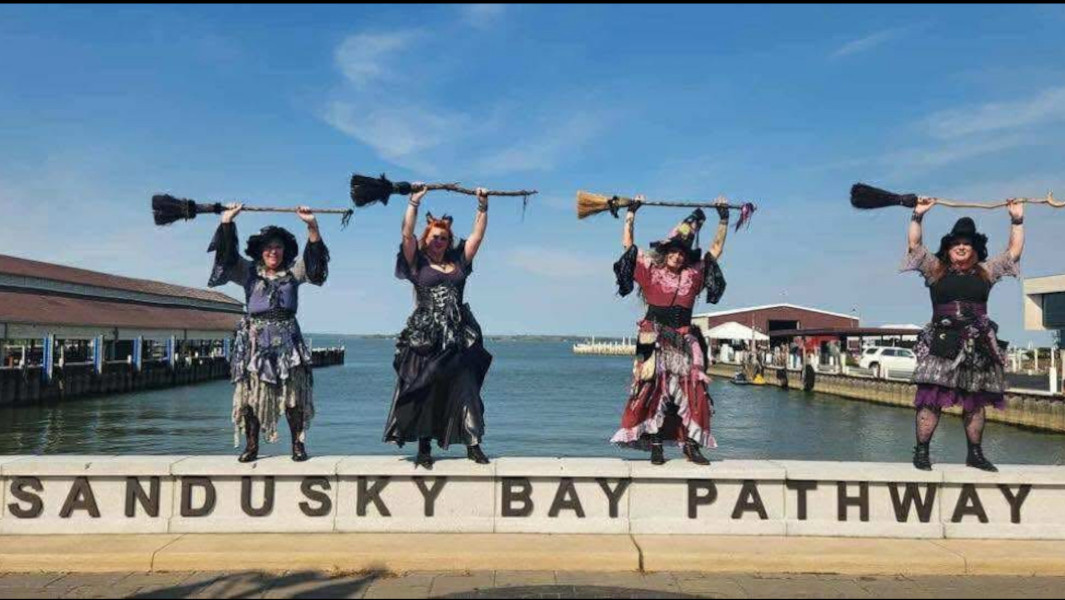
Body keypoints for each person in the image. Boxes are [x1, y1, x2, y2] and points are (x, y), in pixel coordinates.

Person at [903, 197, 1024, 472]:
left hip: (978, 344)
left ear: (975, 249)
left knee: (975, 401)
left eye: (966, 244)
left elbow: (1013, 252)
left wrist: (1017, 219)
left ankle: (975, 455)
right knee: (931, 399)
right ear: (948, 248)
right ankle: (921, 453)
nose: (961, 247)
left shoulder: (986, 272)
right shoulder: (936, 270)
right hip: (941, 342)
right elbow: (915, 246)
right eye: (956, 243)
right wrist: (917, 216)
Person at [610, 197, 729, 465]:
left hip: (684, 337)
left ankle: (691, 444)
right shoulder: (650, 271)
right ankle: (655, 444)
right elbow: (628, 246)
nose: (677, 256)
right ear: (666, 253)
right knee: (649, 388)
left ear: (686, 256)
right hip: (650, 336)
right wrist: (631, 214)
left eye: (681, 253)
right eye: (673, 252)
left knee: (694, 390)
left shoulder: (694, 275)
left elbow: (716, 250)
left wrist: (723, 220)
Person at [207, 204, 329, 462]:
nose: (273, 251)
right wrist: (227, 222)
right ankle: (252, 446)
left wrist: (312, 226)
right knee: (251, 396)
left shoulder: (294, 273)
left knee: (293, 395)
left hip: (288, 339)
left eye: (278, 247)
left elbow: (316, 264)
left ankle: (297, 444)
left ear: (284, 251)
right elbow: (226, 258)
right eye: (269, 247)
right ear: (261, 252)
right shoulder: (248, 272)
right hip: (256, 341)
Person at [383, 186, 493, 469]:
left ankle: (473, 445)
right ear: (427, 239)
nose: (440, 241)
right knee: (426, 386)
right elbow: (406, 234)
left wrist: (482, 206)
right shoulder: (417, 263)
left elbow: (478, 237)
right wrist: (413, 203)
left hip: (458, 334)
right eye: (435, 237)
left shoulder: (458, 262)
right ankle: (424, 448)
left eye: (444, 238)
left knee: (466, 385)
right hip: (426, 334)